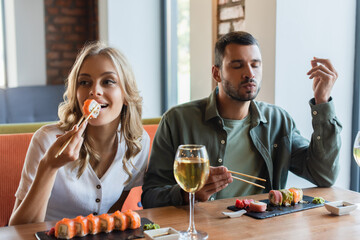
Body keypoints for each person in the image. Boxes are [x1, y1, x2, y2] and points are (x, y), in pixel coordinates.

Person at [141, 31, 342, 208]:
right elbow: (150, 196)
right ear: (216, 73)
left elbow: (323, 175)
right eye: (237, 66)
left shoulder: (278, 121)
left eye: (255, 65)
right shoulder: (177, 120)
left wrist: (322, 102)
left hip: (262, 230)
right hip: (203, 230)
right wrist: (188, 194)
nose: (249, 73)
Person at [9, 42, 150, 225]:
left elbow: (109, 219)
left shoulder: (137, 143)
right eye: (84, 82)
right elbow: (18, 230)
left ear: (126, 94)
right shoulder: (46, 140)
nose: (94, 91)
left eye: (108, 81)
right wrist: (49, 166)